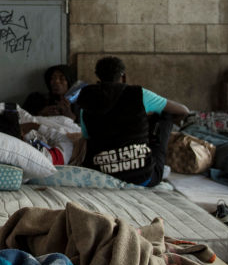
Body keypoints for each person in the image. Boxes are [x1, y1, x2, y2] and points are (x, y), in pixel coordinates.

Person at [75, 56, 190, 187]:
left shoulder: (87, 101)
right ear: (123, 77)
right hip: (142, 177)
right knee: (166, 115)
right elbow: (183, 110)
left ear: (98, 78)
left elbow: (87, 138)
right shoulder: (138, 94)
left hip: (102, 175)